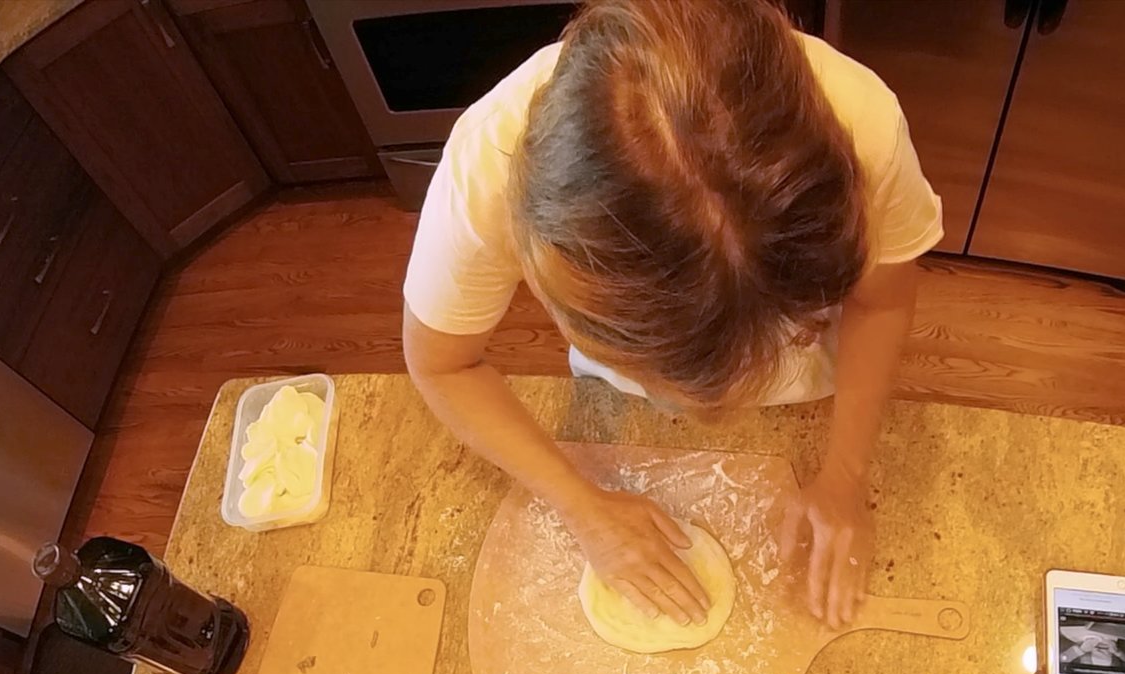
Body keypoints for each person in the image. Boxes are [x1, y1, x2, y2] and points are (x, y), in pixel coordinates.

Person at [401, 0, 943, 628]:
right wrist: (581, 505)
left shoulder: (859, 126)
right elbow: (441, 364)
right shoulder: (486, 168)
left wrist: (844, 474)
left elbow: (881, 299)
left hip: (823, 389)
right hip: (620, 403)